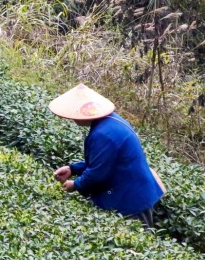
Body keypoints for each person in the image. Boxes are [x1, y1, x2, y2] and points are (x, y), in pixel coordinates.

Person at [50, 84, 164, 228]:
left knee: (133, 245)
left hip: (131, 199)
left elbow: (97, 173)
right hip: (133, 191)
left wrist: (76, 185)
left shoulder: (103, 134)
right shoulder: (110, 120)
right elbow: (105, 162)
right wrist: (73, 169)